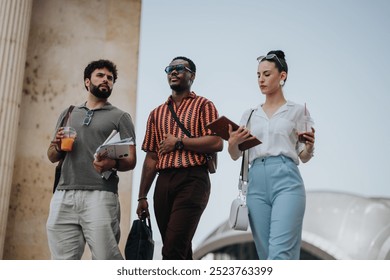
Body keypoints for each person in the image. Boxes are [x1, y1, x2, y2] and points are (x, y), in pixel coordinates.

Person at [227, 50, 315, 260]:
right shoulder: (249, 115)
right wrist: (232, 143)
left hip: (286, 180)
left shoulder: (298, 111)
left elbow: (303, 156)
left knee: (280, 254)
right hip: (255, 182)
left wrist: (310, 148)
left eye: (266, 74)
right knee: (266, 255)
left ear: (282, 76)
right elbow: (235, 155)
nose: (261, 79)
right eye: (258, 75)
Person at [46, 59, 137, 260]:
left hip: (101, 195)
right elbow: (52, 155)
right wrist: (59, 146)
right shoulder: (68, 113)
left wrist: (112, 163)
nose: (106, 80)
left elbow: (131, 160)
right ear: (87, 82)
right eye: (100, 76)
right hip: (63, 195)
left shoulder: (121, 117)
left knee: (105, 259)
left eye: (110, 78)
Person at [136, 56, 223, 260]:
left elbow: (217, 142)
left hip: (193, 179)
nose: (173, 72)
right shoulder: (156, 114)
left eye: (179, 68)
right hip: (163, 182)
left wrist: (179, 142)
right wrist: (142, 196)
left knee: (172, 249)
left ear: (192, 76)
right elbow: (151, 157)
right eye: (169, 69)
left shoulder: (204, 105)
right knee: (179, 248)